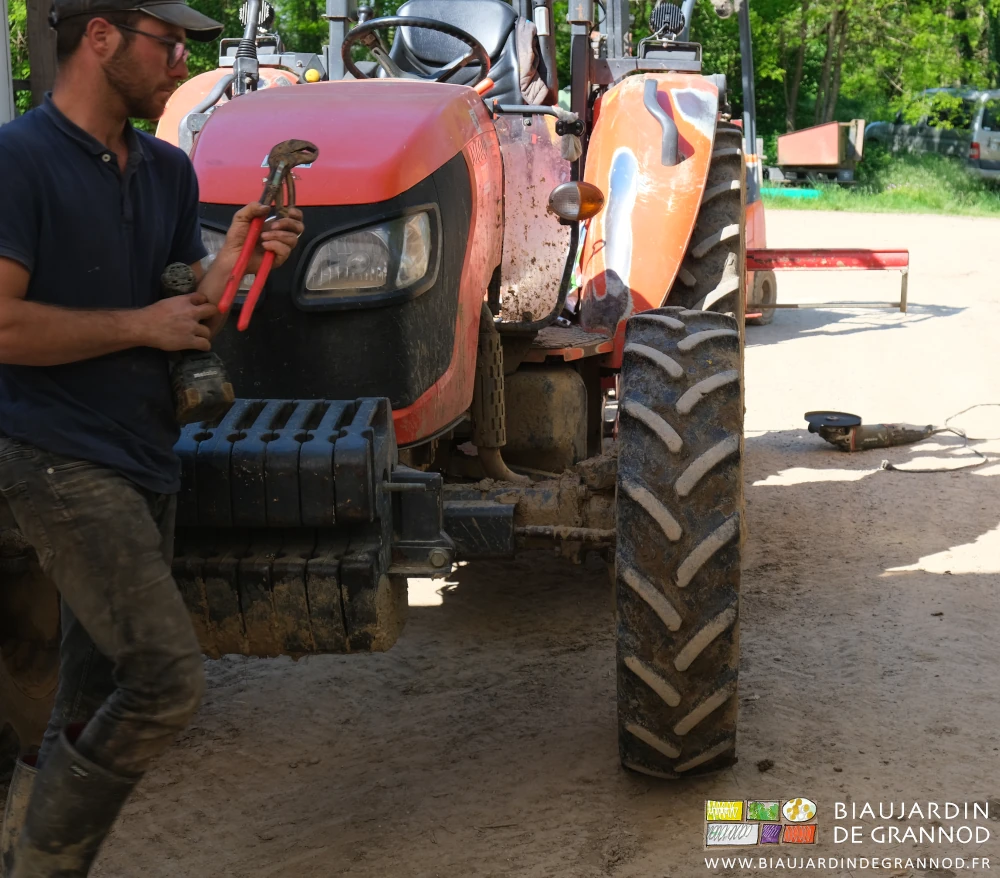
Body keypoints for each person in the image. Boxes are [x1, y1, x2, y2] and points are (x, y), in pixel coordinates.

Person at [0, 0, 305, 873]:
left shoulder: (168, 170)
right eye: (168, 44)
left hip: (144, 454)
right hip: (54, 451)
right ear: (99, 36)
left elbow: (191, 313)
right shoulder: (18, 161)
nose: (182, 64)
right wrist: (141, 326)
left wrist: (240, 255)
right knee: (166, 680)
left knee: (91, 696)